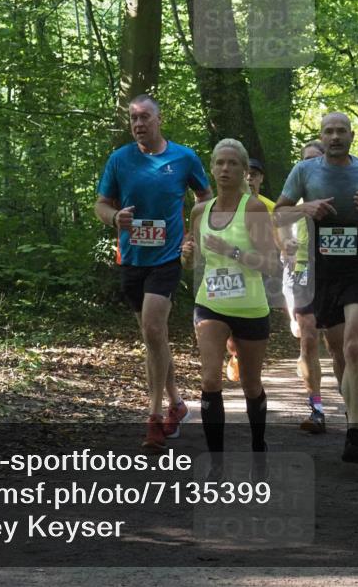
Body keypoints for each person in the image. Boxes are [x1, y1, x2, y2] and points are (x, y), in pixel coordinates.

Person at [95, 94, 212, 451]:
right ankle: (177, 403)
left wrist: (192, 234)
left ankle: (154, 417)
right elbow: (100, 204)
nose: (138, 124)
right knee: (153, 337)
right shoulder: (120, 160)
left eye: (145, 117)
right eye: (133, 119)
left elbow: (205, 198)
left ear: (160, 120)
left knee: (152, 327)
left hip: (167, 258)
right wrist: (115, 218)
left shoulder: (183, 157)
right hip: (131, 259)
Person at [274, 113, 358, 463]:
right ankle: (353, 405)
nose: (335, 136)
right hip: (321, 270)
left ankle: (355, 429)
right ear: (321, 137)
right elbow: (279, 214)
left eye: (342, 131)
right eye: (329, 131)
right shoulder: (303, 172)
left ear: (352, 136)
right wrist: (305, 207)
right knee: (339, 351)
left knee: (355, 346)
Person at [181, 139, 279, 461]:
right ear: (211, 168)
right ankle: (217, 460)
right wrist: (187, 255)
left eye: (232, 164)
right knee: (210, 378)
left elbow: (271, 263)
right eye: (219, 163)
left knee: (251, 384)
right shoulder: (199, 211)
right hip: (210, 303)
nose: (225, 169)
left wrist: (232, 251)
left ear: (244, 170)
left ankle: (258, 447)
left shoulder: (253, 208)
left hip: (250, 307)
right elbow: (192, 265)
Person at [281, 140, 339, 434]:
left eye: (317, 160)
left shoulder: (340, 190)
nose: (311, 166)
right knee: (308, 339)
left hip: (336, 272)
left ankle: (348, 387)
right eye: (306, 161)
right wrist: (285, 246)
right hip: (302, 271)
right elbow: (278, 224)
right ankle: (316, 407)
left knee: (336, 344)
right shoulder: (294, 197)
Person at [225, 157, 279, 383]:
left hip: (262, 270)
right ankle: (235, 354)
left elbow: (279, 241)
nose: (250, 178)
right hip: (234, 268)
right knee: (230, 316)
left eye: (255, 174)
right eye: (247, 174)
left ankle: (249, 356)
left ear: (261, 179)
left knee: (254, 317)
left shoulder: (270, 207)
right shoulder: (229, 204)